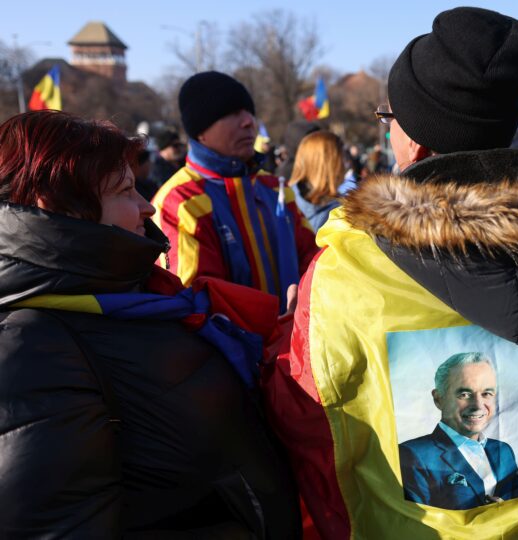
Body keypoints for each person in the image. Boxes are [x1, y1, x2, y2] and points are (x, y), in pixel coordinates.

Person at [262, 7, 518, 539]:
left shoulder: (346, 270)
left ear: (416, 142)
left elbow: (307, 422)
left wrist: (286, 337)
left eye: (389, 119)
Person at [0, 111, 301, 537]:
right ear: (59, 209)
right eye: (125, 191)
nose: (147, 205)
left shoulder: (132, 296)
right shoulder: (30, 348)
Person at [152, 72, 318, 312]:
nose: (248, 122)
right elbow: (196, 305)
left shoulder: (275, 189)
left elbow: (314, 261)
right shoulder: (179, 202)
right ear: (201, 131)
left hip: (296, 344)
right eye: (230, 113)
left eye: (248, 111)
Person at [399, 353, 518, 510]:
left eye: (486, 393)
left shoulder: (503, 450)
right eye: (465, 394)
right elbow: (416, 523)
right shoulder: (413, 455)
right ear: (439, 399)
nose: (478, 405)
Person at [289, 130, 357, 232]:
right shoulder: (341, 214)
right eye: (342, 155)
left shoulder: (285, 199)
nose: (346, 162)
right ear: (329, 162)